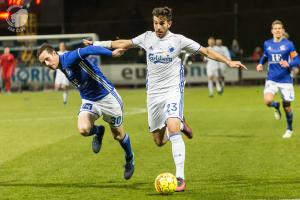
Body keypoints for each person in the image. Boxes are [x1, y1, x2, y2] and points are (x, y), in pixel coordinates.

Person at [83, 6, 246, 192]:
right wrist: (97, 45)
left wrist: (228, 61)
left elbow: (206, 51)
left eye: (161, 23)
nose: (158, 27)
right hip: (153, 95)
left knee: (173, 128)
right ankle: (182, 124)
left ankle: (180, 178)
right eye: (155, 23)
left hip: (172, 91)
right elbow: (124, 43)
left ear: (169, 23)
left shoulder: (179, 40)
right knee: (159, 141)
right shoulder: (146, 37)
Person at [37, 43, 135, 180]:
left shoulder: (69, 58)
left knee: (118, 135)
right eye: (43, 63)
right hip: (89, 100)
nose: (47, 63)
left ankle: (130, 159)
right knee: (83, 129)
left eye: (47, 59)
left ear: (54, 53)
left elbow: (88, 50)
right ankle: (98, 131)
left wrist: (111, 53)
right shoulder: (60, 66)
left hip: (107, 98)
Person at [256, 20, 300, 138]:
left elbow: (297, 60)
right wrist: (261, 64)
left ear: (283, 30)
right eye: (275, 29)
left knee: (287, 107)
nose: (277, 30)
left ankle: (289, 129)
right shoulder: (267, 43)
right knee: (267, 101)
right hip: (272, 79)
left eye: (279, 28)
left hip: (285, 80)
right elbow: (265, 55)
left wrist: (289, 64)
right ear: (272, 31)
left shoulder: (289, 44)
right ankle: (276, 105)